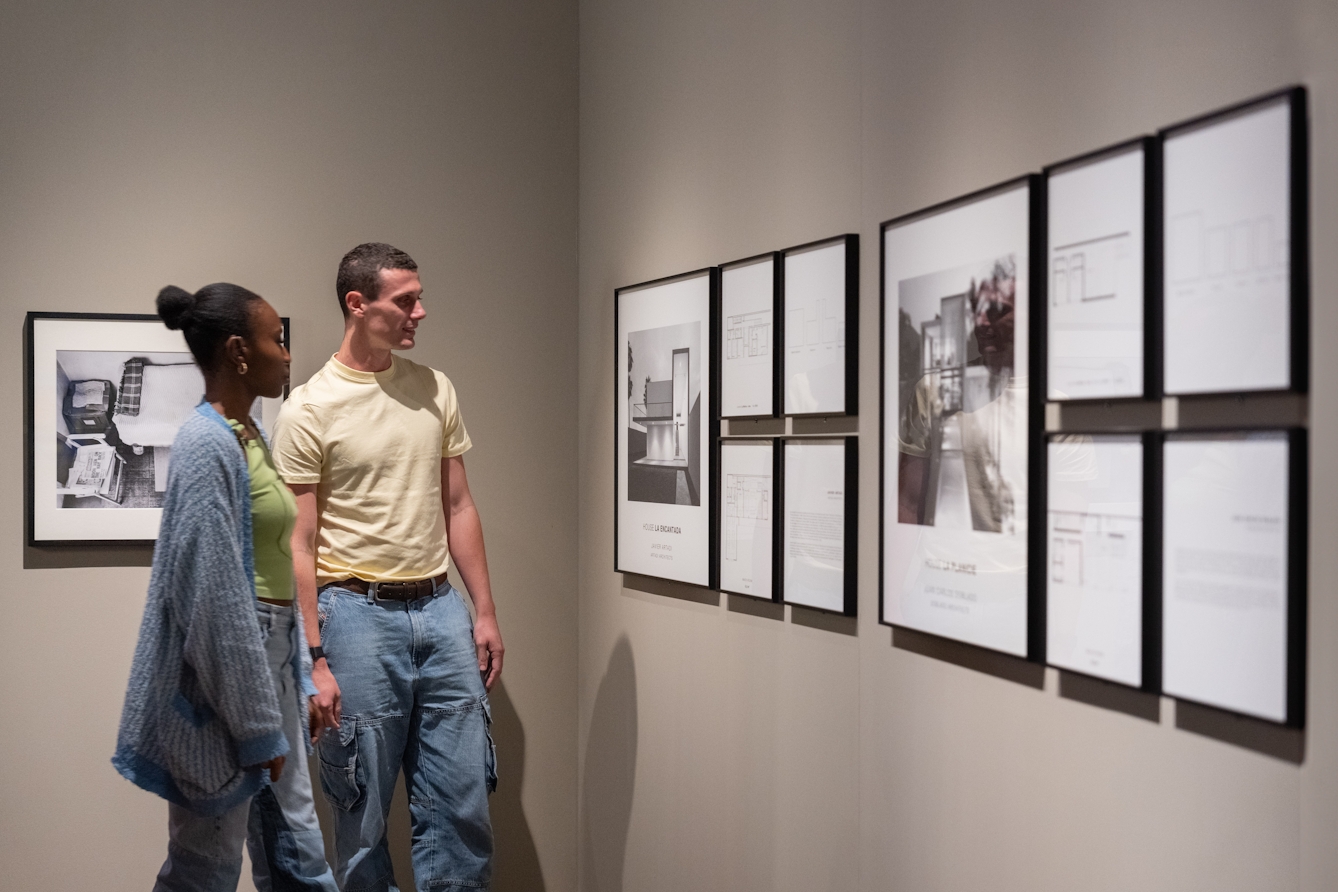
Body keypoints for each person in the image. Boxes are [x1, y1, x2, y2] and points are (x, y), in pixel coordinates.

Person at [271, 243, 502, 892]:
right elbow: (301, 541)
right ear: (358, 304)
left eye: (419, 298)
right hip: (355, 616)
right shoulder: (310, 408)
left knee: (462, 805)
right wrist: (314, 655)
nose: (420, 312)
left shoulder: (434, 389)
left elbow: (458, 505)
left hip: (440, 608)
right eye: (405, 301)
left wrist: (483, 610)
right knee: (362, 811)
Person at [112, 283, 339, 892]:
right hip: (225, 677)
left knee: (299, 851)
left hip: (269, 657)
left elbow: (274, 567)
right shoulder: (206, 443)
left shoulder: (248, 432)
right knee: (205, 866)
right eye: (278, 340)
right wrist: (254, 723)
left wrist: (298, 675)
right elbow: (211, 604)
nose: (288, 354)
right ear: (239, 352)